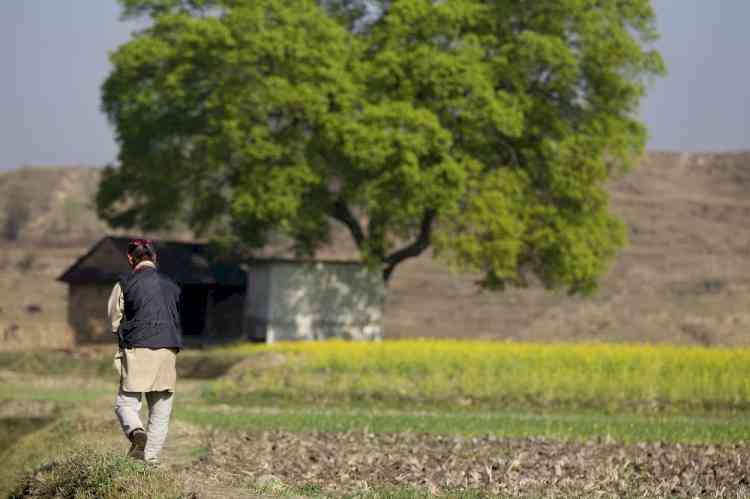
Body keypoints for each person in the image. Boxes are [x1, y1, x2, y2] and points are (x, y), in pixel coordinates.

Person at [108, 238, 182, 463]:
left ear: (131, 259)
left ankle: (137, 434)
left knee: (126, 404)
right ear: (154, 258)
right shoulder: (172, 284)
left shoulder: (124, 283)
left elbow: (114, 319)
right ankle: (149, 463)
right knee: (160, 411)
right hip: (169, 349)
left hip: (138, 348)